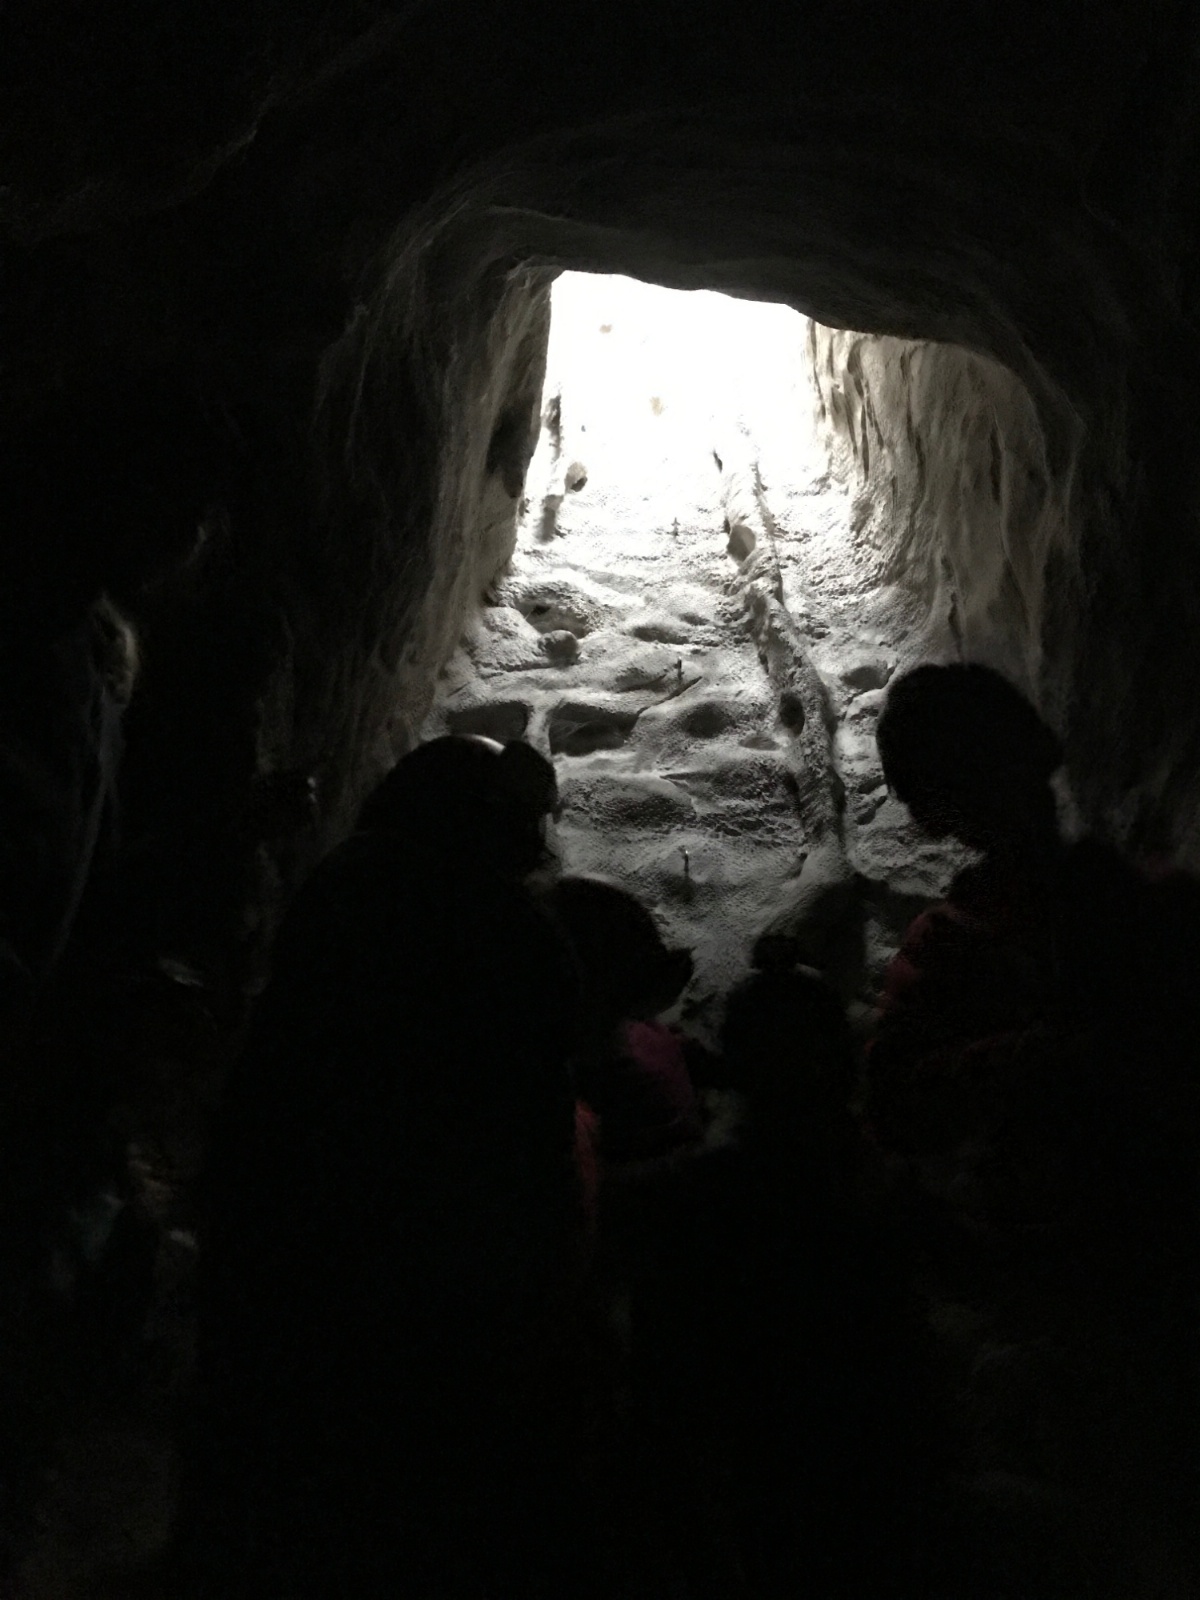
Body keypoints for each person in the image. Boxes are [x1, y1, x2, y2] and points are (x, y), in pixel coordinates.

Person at [192, 735, 585, 1598]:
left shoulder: (347, 885)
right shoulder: (497, 921)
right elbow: (533, 1091)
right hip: (432, 1251)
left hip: (303, 1226)